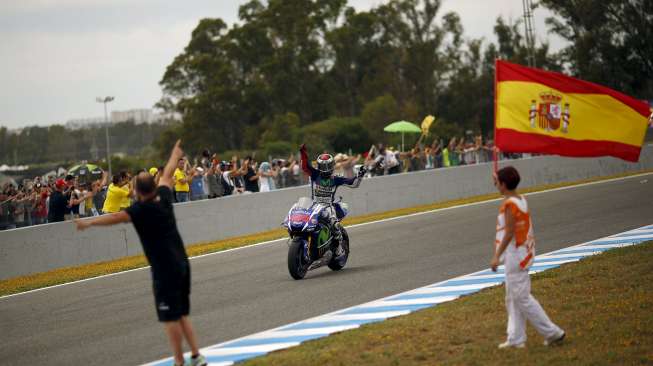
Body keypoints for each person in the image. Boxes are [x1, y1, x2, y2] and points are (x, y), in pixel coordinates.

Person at [75, 140, 208, 366]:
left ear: (136, 191)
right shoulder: (164, 198)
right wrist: (175, 153)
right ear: (153, 188)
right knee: (182, 313)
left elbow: (115, 217)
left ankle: (179, 361)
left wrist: (89, 224)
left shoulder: (139, 210)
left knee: (170, 318)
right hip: (182, 264)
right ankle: (196, 355)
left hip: (164, 270)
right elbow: (167, 175)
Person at [491, 166, 565, 349]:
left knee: (522, 298)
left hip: (515, 255)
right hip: (523, 252)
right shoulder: (521, 200)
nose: (495, 186)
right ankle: (516, 337)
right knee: (512, 297)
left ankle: (553, 332)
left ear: (504, 184)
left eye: (497, 183)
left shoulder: (509, 205)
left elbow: (509, 233)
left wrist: (496, 256)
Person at [300, 143, 365, 247]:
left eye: (328, 166)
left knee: (334, 224)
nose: (325, 169)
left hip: (328, 207)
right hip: (314, 206)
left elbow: (354, 183)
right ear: (319, 166)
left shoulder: (336, 179)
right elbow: (304, 166)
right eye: (323, 166)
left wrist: (359, 175)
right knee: (301, 221)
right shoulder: (314, 174)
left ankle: (339, 247)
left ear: (332, 166)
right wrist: (303, 153)